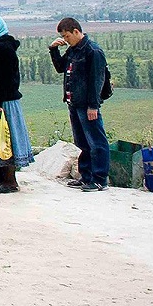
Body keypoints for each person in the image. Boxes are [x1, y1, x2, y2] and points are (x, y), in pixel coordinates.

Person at [50, 17, 108, 192]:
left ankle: (99, 179)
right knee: (82, 142)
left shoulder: (92, 51)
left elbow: (97, 80)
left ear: (76, 31)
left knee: (96, 142)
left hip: (87, 104)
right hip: (74, 103)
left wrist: (93, 105)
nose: (66, 40)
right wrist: (53, 50)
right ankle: (86, 176)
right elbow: (61, 68)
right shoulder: (73, 50)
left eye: (67, 36)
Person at [0, 15, 33, 193]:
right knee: (1, 137)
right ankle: (5, 179)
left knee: (5, 138)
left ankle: (10, 181)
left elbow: (3, 78)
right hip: (0, 100)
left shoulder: (3, 49)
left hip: (4, 102)